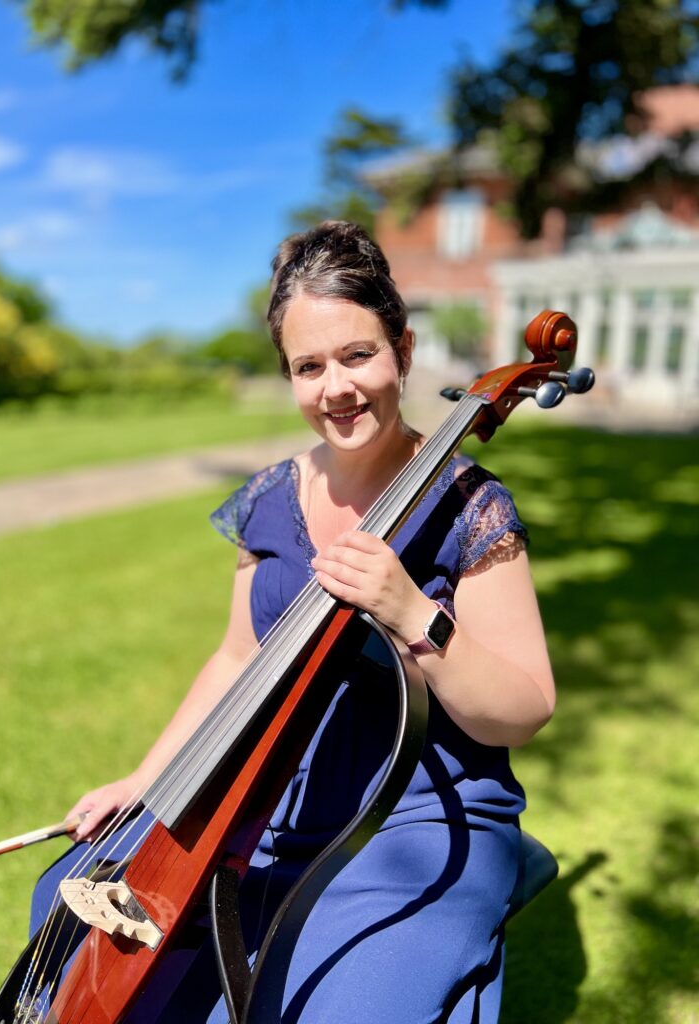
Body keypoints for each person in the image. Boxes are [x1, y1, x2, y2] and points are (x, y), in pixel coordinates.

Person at [30, 221, 555, 1023]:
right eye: (309, 367)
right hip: (270, 805)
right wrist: (147, 782)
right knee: (75, 914)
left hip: (413, 820)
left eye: (358, 355)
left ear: (403, 351)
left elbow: (522, 708)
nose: (336, 388)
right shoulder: (270, 499)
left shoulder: (467, 505)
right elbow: (237, 657)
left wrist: (414, 612)